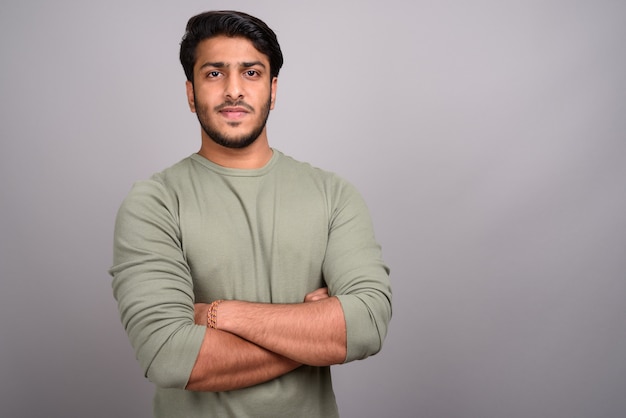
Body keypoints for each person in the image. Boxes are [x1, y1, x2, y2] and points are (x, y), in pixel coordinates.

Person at [110, 10, 392, 418]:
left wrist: (220, 314)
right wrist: (315, 331)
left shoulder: (333, 195)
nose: (233, 90)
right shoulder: (154, 203)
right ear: (190, 92)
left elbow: (367, 325)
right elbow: (168, 355)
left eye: (252, 73)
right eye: (214, 74)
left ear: (273, 90)